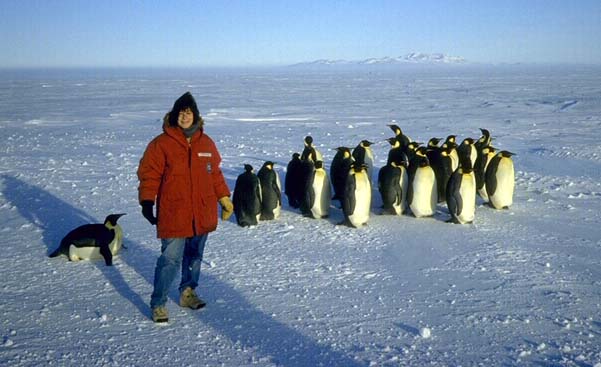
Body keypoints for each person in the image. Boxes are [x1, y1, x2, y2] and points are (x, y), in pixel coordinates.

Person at [137, 92, 233, 323]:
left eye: (188, 113)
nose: (184, 117)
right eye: (181, 113)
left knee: (194, 256)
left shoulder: (206, 142)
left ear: (196, 115)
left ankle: (187, 293)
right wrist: (147, 201)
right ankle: (158, 303)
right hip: (175, 212)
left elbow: (215, 174)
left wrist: (224, 198)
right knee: (170, 259)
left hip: (202, 211)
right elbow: (149, 174)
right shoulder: (161, 144)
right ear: (174, 115)